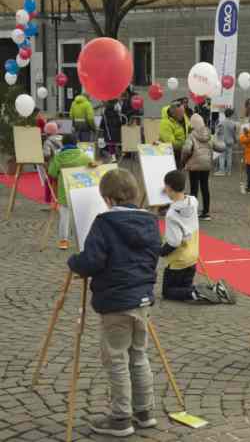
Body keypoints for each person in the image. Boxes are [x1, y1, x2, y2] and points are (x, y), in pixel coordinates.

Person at [65, 169, 161, 437]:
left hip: (116, 301)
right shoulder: (150, 222)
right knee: (139, 355)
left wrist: (74, 262)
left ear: (107, 198)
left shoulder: (104, 223)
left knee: (117, 358)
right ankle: (145, 412)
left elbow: (92, 261)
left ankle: (121, 418)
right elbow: (153, 255)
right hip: (142, 299)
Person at [160, 170, 235, 304]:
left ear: (169, 188)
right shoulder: (193, 201)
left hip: (179, 260)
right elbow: (182, 201)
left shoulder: (171, 215)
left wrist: (160, 251)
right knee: (183, 287)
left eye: (165, 186)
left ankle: (197, 292)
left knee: (168, 292)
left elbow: (174, 242)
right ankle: (213, 289)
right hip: (193, 256)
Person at [48, 133, 92, 250]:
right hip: (80, 190)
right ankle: (84, 239)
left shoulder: (59, 156)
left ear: (63, 143)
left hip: (64, 192)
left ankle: (64, 241)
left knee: (64, 217)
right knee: (82, 216)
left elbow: (52, 172)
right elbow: (92, 167)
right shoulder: (84, 156)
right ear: (76, 142)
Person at [181, 114, 225, 221]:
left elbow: (186, 149)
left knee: (194, 188)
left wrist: (183, 161)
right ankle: (206, 212)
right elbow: (220, 147)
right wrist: (222, 142)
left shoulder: (191, 135)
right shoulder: (209, 135)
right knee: (205, 187)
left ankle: (193, 212)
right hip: (206, 165)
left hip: (194, 165)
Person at [160, 102, 191, 167]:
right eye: (180, 115)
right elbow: (171, 143)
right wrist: (185, 143)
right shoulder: (165, 123)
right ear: (173, 114)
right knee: (175, 173)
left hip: (183, 152)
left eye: (183, 113)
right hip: (172, 154)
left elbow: (189, 127)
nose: (183, 116)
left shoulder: (183, 116)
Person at [42, 122, 62, 204]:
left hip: (53, 166)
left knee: (48, 180)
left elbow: (47, 154)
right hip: (63, 165)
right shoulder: (62, 138)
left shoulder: (47, 142)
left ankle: (48, 199)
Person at [215, 108, 238, 176]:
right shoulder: (234, 123)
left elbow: (217, 132)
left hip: (222, 141)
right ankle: (228, 171)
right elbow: (234, 133)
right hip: (230, 141)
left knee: (222, 156)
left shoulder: (221, 123)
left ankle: (222, 171)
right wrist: (235, 140)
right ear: (231, 115)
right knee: (229, 157)